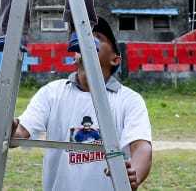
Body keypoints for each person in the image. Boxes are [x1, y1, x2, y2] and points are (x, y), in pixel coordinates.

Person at [13, 18, 153, 190]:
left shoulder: (129, 100)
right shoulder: (52, 93)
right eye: (81, 37)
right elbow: (20, 133)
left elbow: (142, 147)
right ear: (74, 54)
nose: (87, 41)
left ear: (115, 59)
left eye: (97, 37)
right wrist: (10, 130)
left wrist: (135, 173)